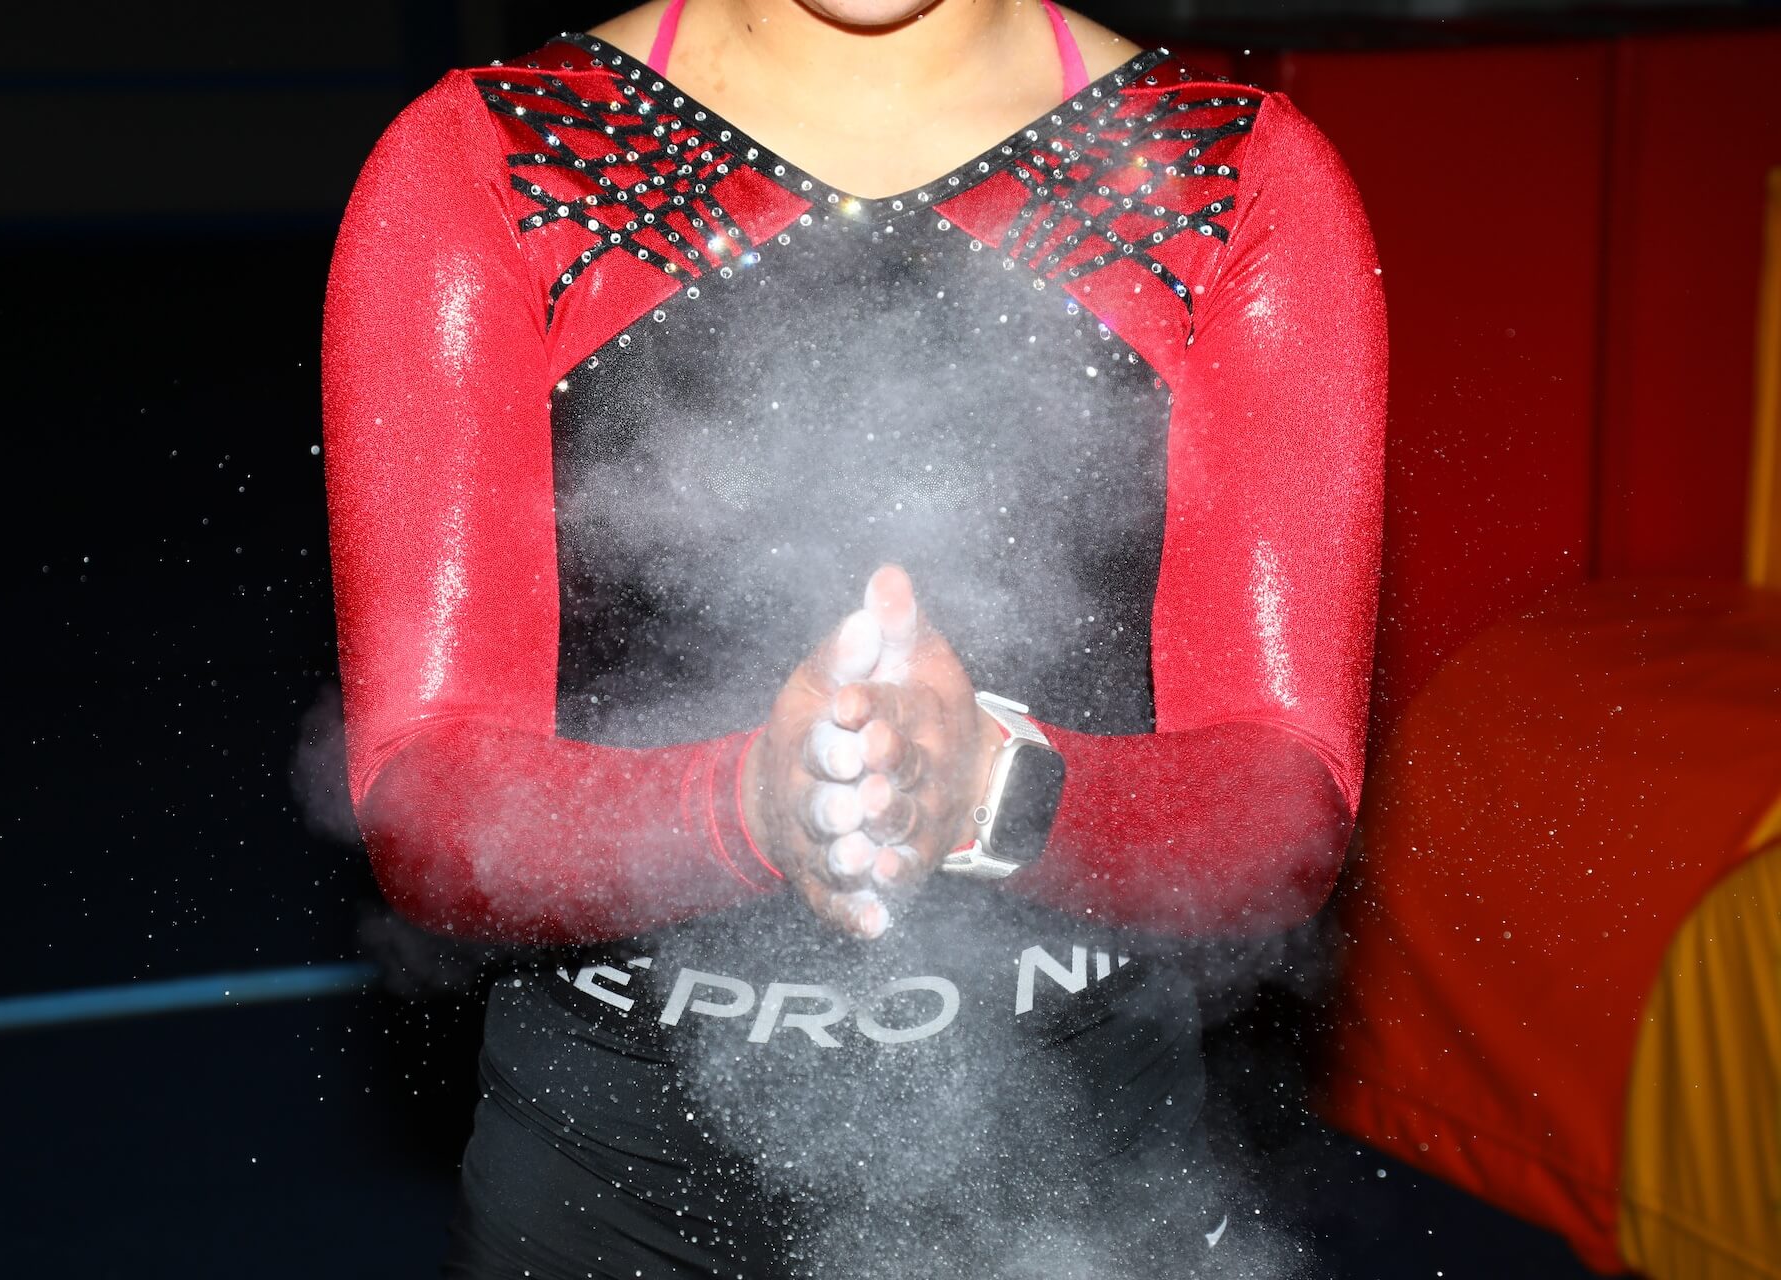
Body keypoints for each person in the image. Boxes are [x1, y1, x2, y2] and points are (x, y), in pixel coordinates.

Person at [322, 0, 1385, 1275]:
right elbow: (422, 798)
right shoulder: (504, 160)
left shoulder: (1222, 179)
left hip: (1080, 1176)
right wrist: (744, 806)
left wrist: (997, 791)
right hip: (615, 1183)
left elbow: (1290, 805)